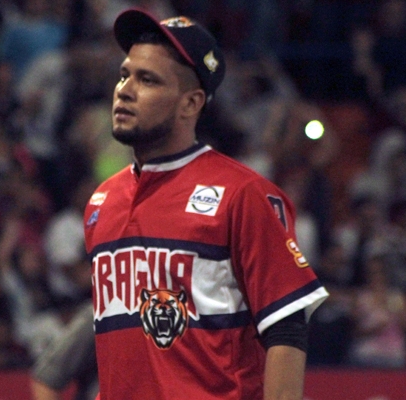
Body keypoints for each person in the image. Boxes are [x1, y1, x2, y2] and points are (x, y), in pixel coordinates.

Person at [83, 9, 329, 400]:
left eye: (148, 80)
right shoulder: (102, 202)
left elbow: (287, 325)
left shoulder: (243, 193)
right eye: (124, 75)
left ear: (190, 103)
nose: (125, 90)